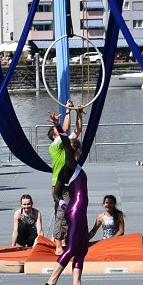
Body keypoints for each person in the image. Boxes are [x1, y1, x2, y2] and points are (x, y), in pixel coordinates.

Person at [44, 131, 92, 285]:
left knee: (82, 248)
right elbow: (66, 144)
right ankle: (51, 282)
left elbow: (56, 194)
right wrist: (58, 125)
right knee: (72, 248)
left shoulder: (66, 170)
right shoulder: (71, 165)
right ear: (75, 152)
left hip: (78, 211)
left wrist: (64, 206)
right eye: (77, 152)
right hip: (76, 211)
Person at [48, 102, 82, 255]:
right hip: (59, 185)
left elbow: (77, 130)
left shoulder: (65, 144)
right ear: (54, 136)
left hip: (70, 183)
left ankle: (64, 239)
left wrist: (79, 113)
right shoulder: (55, 145)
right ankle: (58, 245)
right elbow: (66, 129)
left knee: (68, 214)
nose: (62, 131)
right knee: (61, 215)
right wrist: (68, 111)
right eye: (58, 130)